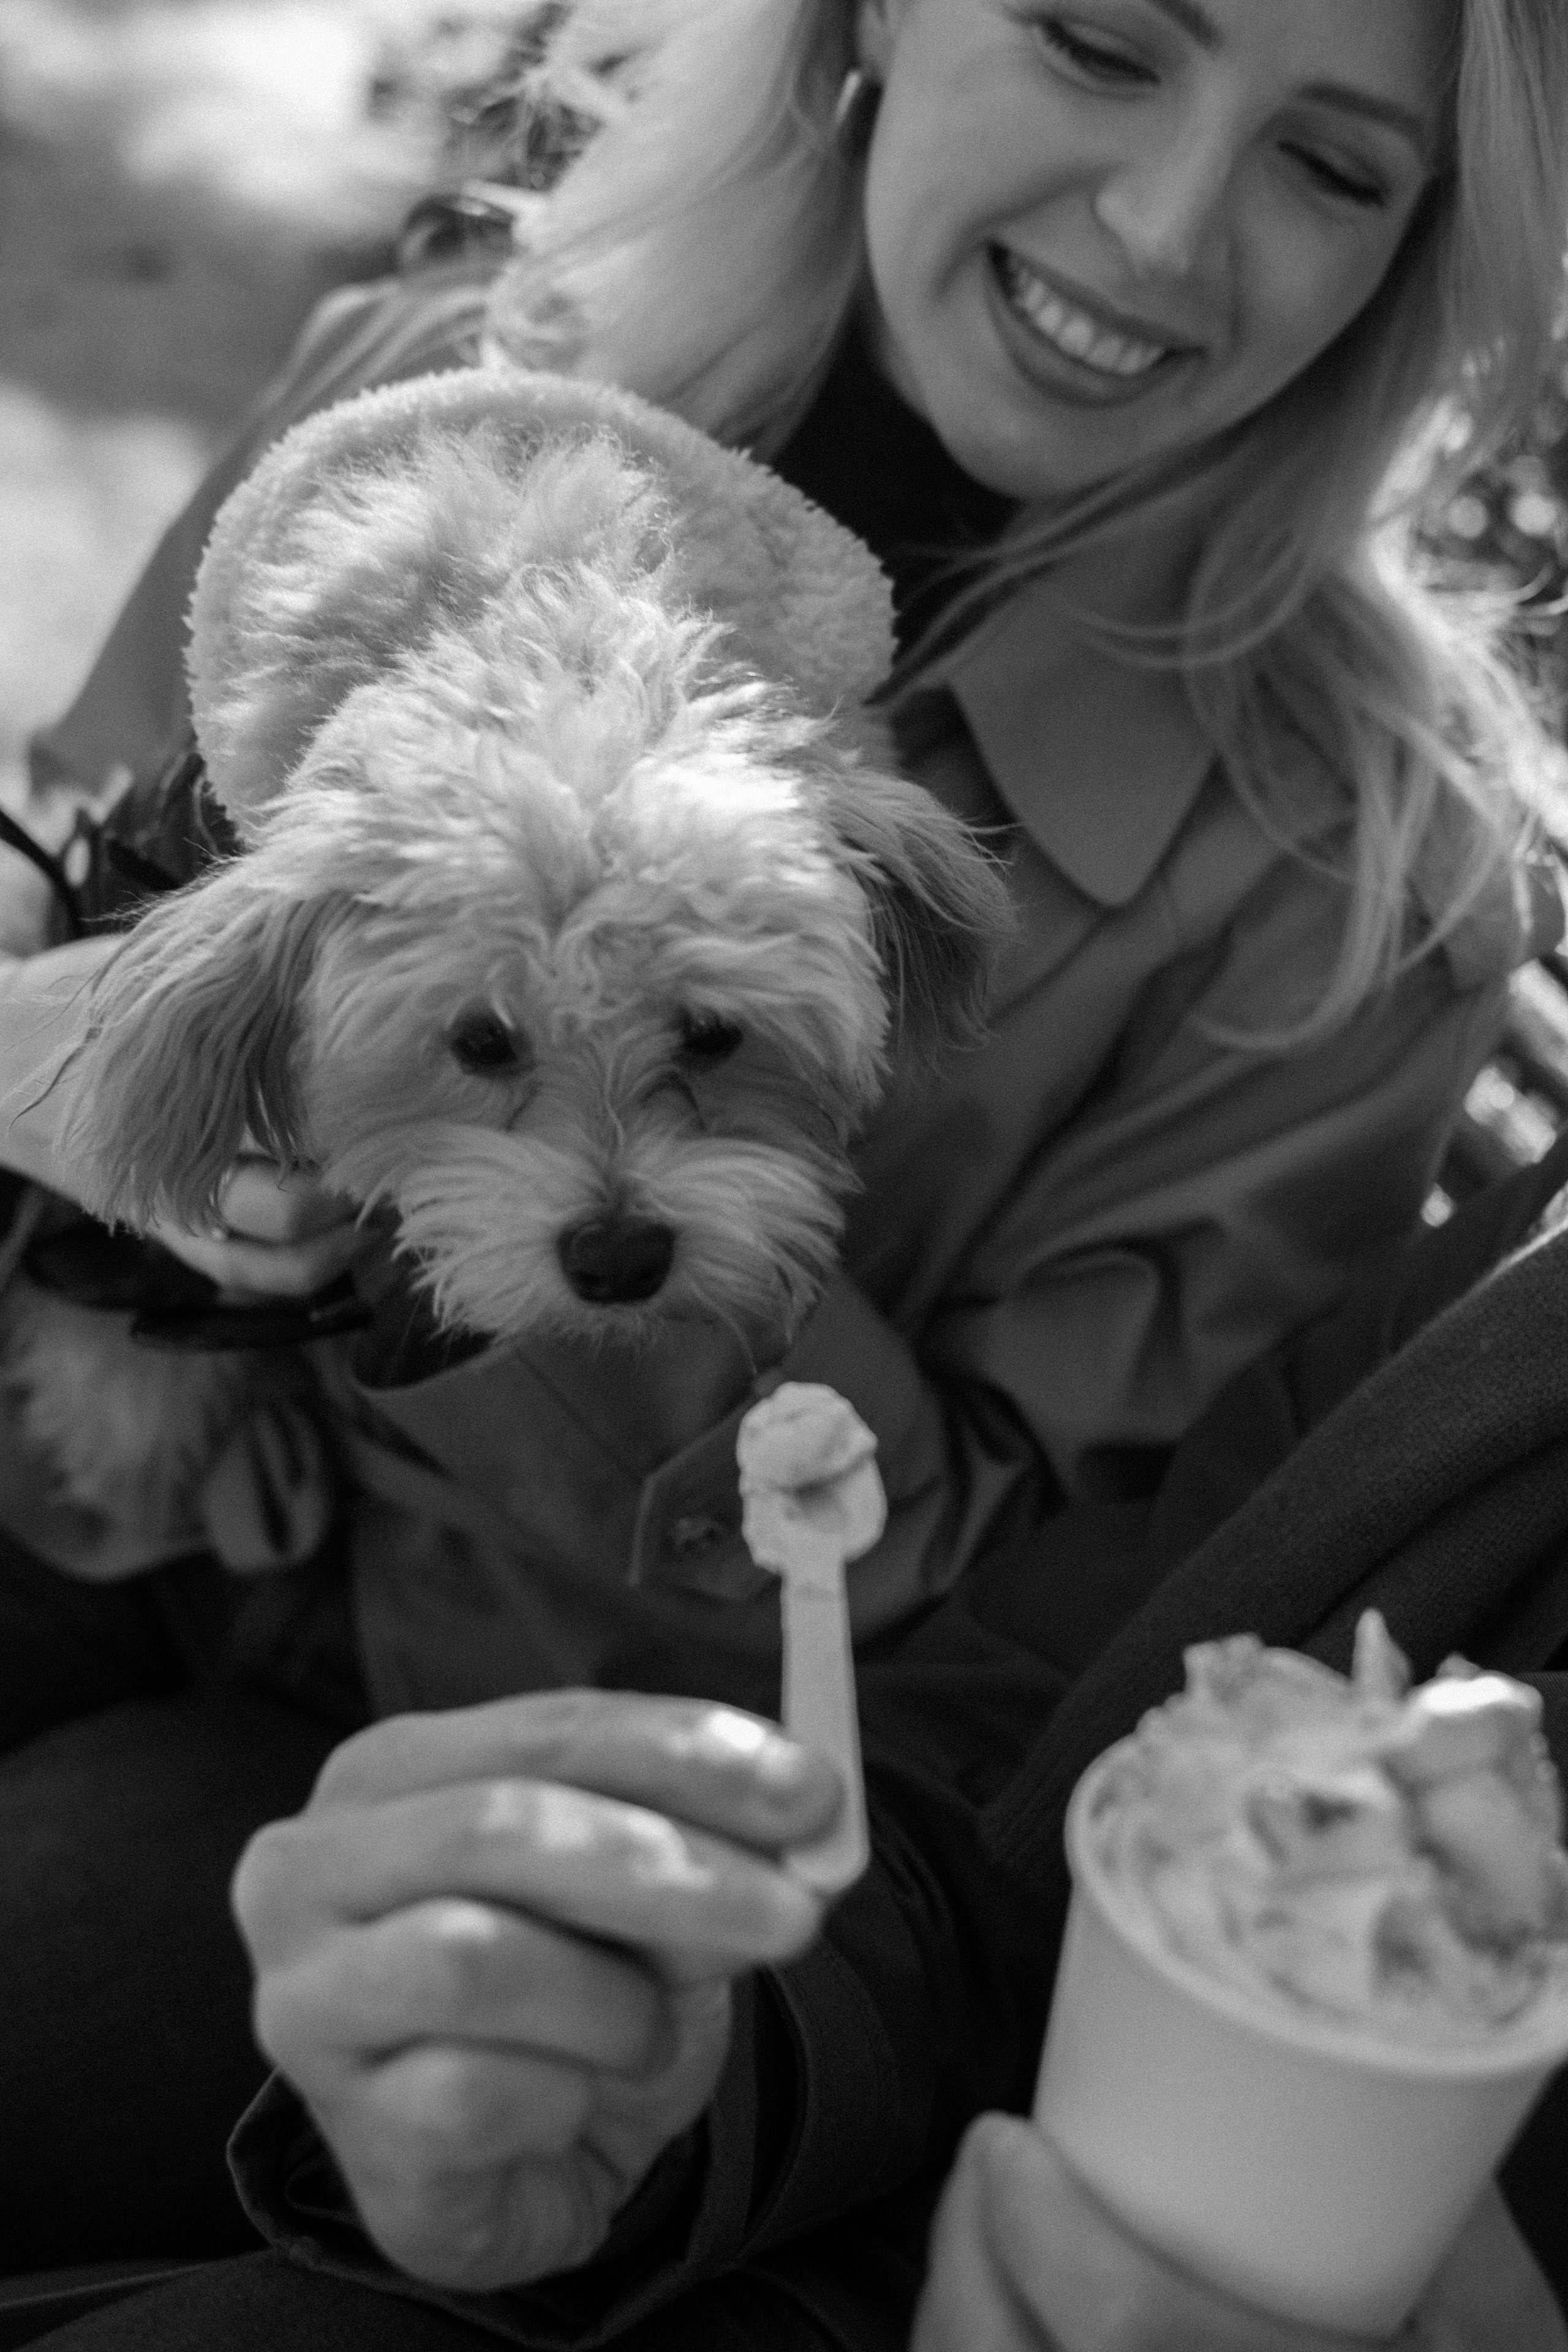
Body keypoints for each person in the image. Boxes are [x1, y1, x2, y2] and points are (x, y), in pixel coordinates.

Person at [2, 0, 1567, 2340]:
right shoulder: (419, 399)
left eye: (1334, 167)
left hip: (551, 1764)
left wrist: (513, 1253)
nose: (1161, 225)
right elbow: (71, 863)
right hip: (88, 1468)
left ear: (1415, 259)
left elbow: (1009, 1636)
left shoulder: (1357, 891)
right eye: (1101, 38)